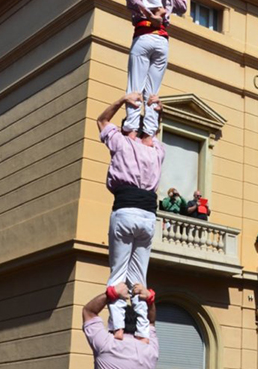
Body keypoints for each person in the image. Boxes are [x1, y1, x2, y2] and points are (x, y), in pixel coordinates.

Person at [97, 92, 165, 340]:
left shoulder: (121, 142)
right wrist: (157, 110)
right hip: (148, 217)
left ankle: (117, 327)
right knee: (139, 277)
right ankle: (143, 332)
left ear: (126, 131)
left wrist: (121, 101)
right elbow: (154, 133)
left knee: (117, 274)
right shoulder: (157, 151)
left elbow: (102, 121)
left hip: (125, 211)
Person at [123, 0, 186, 136]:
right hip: (162, 40)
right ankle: (149, 134)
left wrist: (148, 12)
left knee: (135, 87)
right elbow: (183, 6)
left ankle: (131, 130)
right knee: (152, 93)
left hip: (144, 35)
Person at [82, 281, 159, 369]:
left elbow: (89, 312)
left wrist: (111, 293)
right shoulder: (150, 350)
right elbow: (150, 322)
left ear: (114, 323)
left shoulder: (106, 344)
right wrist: (150, 299)